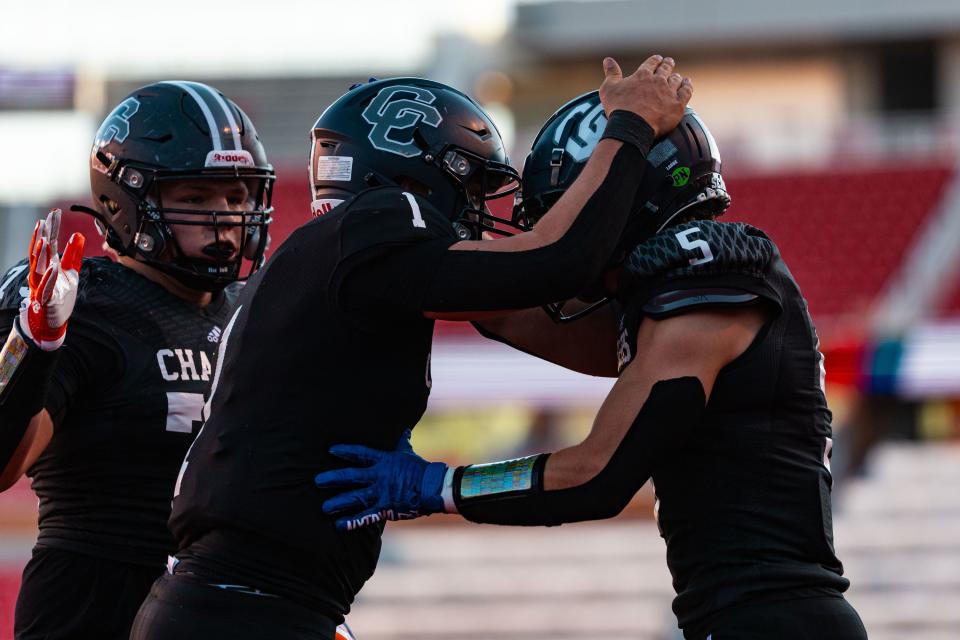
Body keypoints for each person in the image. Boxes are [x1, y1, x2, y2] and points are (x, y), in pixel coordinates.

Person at [128, 56, 693, 640]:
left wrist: (682, 331)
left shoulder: (346, 262)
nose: (477, 208)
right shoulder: (379, 219)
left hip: (254, 602)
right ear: (421, 176)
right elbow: (552, 263)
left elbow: (587, 343)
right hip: (247, 606)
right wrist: (629, 127)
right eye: (471, 184)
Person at [314, 93, 868, 640]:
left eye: (573, 210)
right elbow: (516, 312)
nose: (576, 231)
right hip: (746, 616)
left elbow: (595, 475)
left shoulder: (709, 283)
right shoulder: (677, 306)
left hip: (773, 619)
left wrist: (436, 487)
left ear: (633, 199)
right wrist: (428, 260)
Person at [0, 80, 274, 640]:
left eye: (238, 196)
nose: (225, 216)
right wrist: (31, 346)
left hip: (226, 602)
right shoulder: (89, 304)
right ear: (124, 202)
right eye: (196, 198)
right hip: (97, 605)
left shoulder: (255, 308)